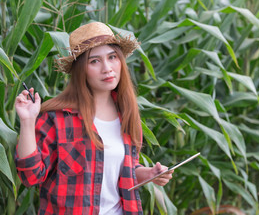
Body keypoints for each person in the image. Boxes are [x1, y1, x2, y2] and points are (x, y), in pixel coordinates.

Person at [15, 22, 173, 215]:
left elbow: (122, 170)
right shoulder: (57, 119)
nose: (107, 68)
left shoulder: (127, 115)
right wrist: (27, 121)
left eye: (112, 57)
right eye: (94, 61)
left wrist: (147, 174)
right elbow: (31, 177)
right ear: (81, 70)